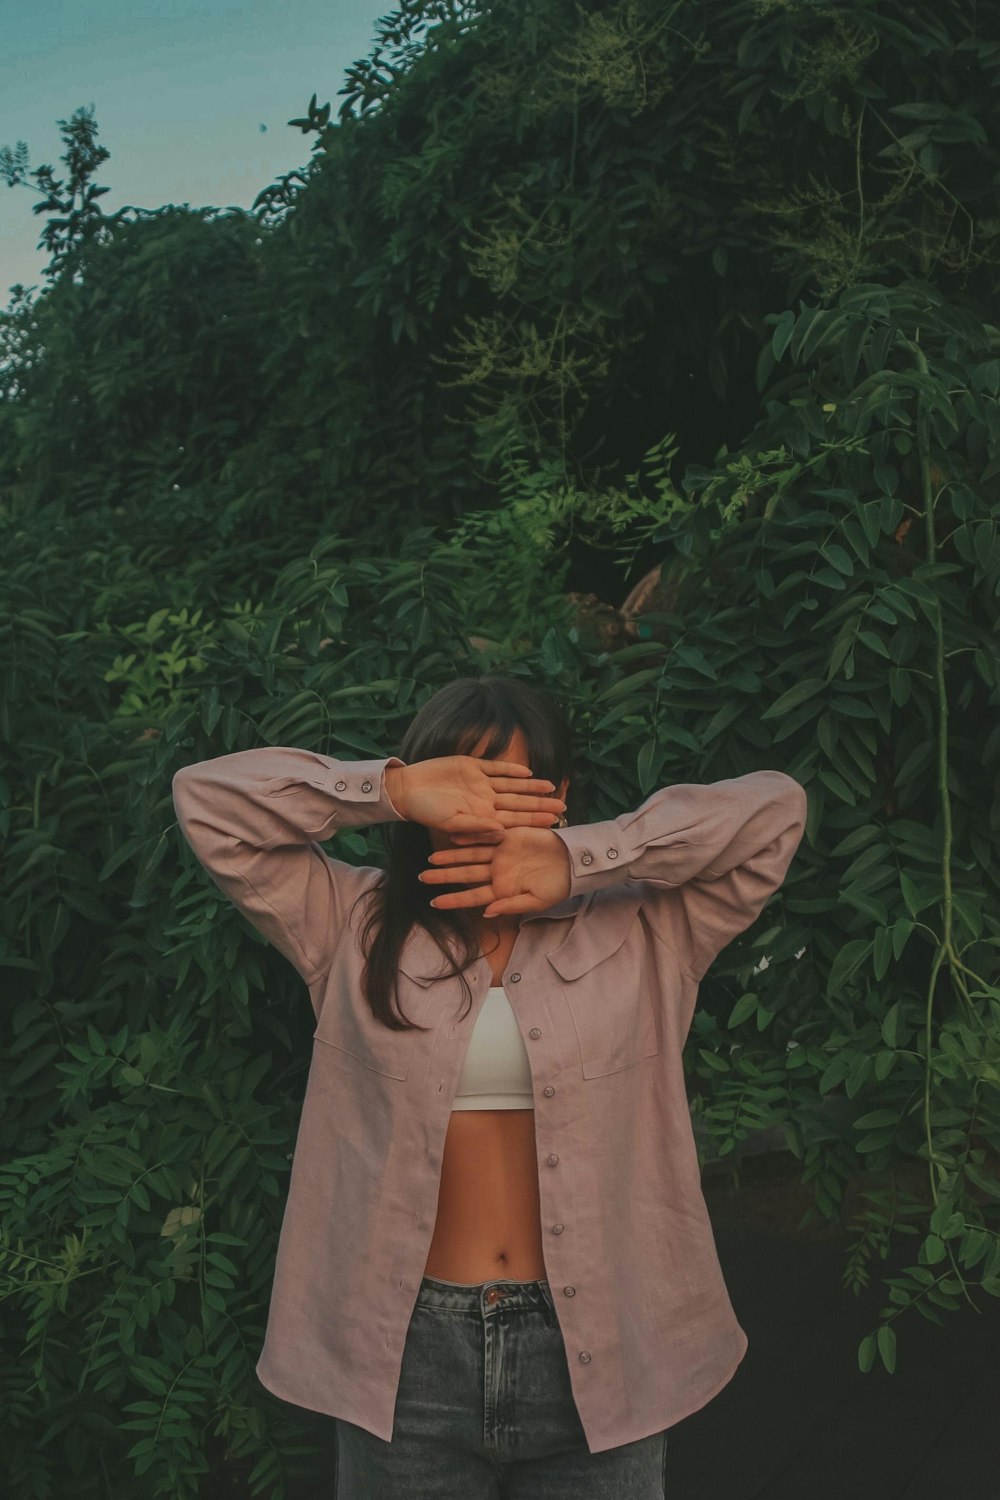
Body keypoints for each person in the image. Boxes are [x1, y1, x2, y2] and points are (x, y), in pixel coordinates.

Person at [171, 672, 808, 1498]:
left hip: (601, 1352)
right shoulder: (347, 924)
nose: (479, 819)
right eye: (459, 794)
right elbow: (207, 802)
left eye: (507, 792)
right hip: (405, 1359)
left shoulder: (650, 927)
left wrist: (582, 861)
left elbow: (775, 810)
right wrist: (389, 787)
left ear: (559, 799)